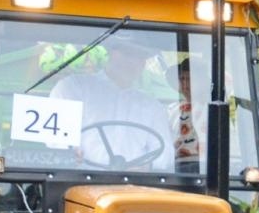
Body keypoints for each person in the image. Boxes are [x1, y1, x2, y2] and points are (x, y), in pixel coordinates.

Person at [50, 38, 174, 169]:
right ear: (111, 52)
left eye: (140, 57)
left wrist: (145, 166)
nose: (133, 62)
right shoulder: (73, 87)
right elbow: (55, 141)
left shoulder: (152, 106)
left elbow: (165, 154)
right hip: (76, 182)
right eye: (127, 53)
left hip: (133, 186)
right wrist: (71, 154)